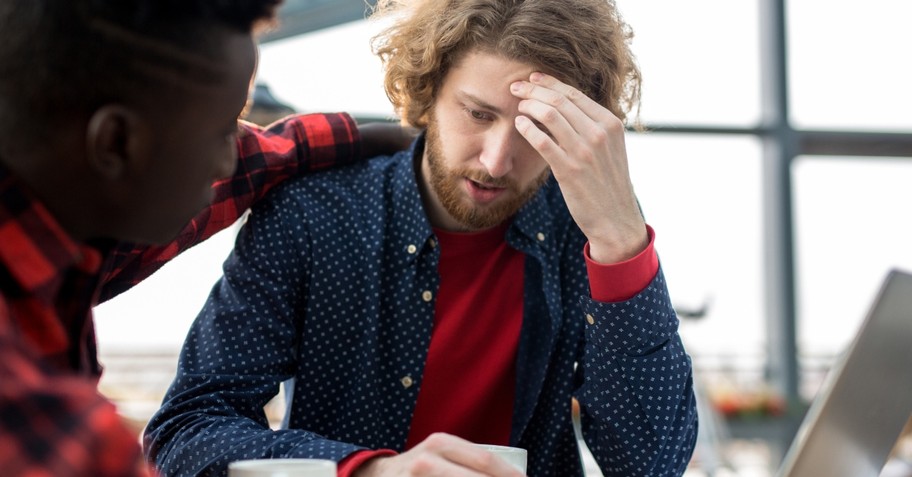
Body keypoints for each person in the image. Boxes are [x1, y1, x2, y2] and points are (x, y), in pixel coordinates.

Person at [144, 0, 699, 475]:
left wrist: (622, 243)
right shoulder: (313, 214)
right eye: (478, 113)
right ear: (429, 90)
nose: (497, 159)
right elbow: (187, 430)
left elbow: (651, 465)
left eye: (538, 129)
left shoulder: (591, 231)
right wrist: (370, 470)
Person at [0, 1, 412, 476]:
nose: (227, 161)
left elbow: (250, 165)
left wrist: (366, 138)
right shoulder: (54, 434)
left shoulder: (66, 225)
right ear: (115, 144)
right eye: (222, 134)